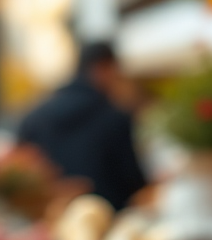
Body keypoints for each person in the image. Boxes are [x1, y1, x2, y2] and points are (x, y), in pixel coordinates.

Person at [16, 42, 147, 210]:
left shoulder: (34, 117)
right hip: (108, 220)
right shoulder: (113, 117)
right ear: (102, 68)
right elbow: (131, 180)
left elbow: (21, 173)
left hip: (48, 221)